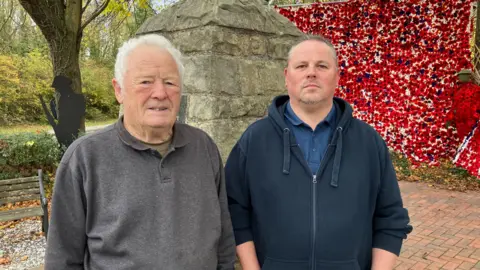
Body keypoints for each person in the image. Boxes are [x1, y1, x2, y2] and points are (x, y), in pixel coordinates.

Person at [44, 34, 236, 270]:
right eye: (145, 82)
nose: (160, 93)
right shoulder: (84, 158)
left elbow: (224, 240)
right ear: (119, 90)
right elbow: (62, 260)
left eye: (170, 82)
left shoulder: (203, 147)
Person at [225, 35, 413, 270]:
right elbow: (235, 211)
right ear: (287, 76)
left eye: (321, 66)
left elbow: (391, 217)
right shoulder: (254, 140)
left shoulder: (368, 142)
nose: (311, 73)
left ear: (337, 76)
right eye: (302, 66)